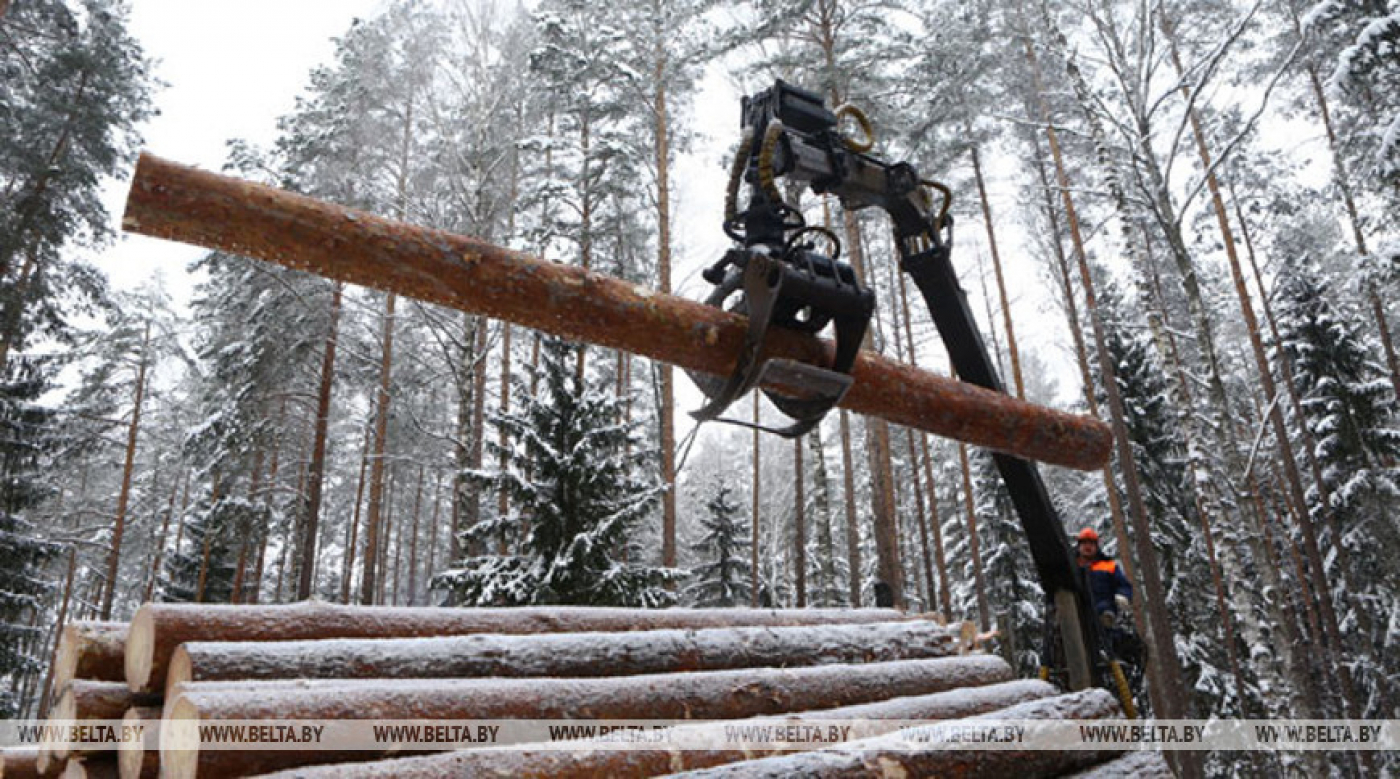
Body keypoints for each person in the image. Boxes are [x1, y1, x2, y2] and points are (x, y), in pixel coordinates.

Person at [1073, 527, 1132, 625]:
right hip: (1078, 609)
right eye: (1084, 543)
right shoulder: (1072, 565)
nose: (1088, 547)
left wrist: (1123, 596)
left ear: (1096, 546)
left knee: (1105, 611)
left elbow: (1124, 585)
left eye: (1091, 543)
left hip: (1103, 606)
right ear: (1079, 546)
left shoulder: (1108, 565)